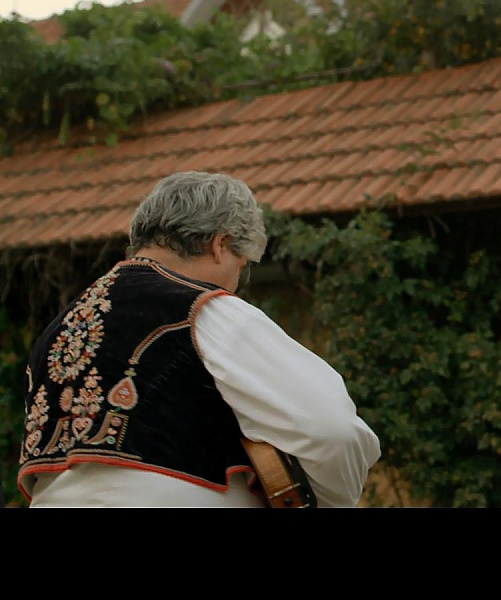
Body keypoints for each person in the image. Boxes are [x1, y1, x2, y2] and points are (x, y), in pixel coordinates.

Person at [17, 170, 381, 507]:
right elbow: (331, 430)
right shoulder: (202, 310)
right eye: (242, 266)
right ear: (220, 244)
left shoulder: (60, 327)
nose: (236, 285)